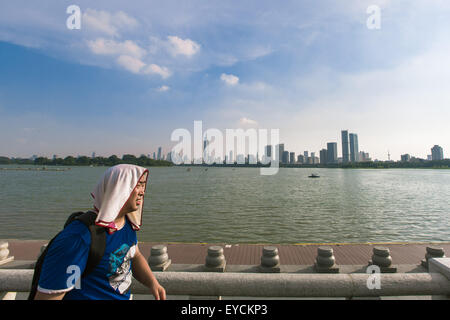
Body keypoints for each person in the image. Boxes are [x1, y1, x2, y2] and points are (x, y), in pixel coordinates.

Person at [34, 164, 166, 300]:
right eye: (137, 185)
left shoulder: (127, 224)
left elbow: (134, 254)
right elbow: (49, 295)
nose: (142, 192)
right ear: (118, 188)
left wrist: (153, 283)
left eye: (143, 185)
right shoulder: (78, 237)